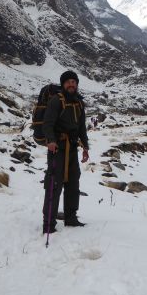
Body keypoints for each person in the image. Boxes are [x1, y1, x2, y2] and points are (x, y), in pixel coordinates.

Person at [42, 70, 90, 233]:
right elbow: (47, 123)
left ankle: (71, 218)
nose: (71, 84)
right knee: (54, 184)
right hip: (57, 149)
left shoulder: (79, 103)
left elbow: (82, 127)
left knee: (73, 182)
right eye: (68, 82)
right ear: (63, 84)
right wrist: (51, 141)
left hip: (72, 149)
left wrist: (85, 147)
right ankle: (48, 224)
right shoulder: (56, 101)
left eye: (74, 82)